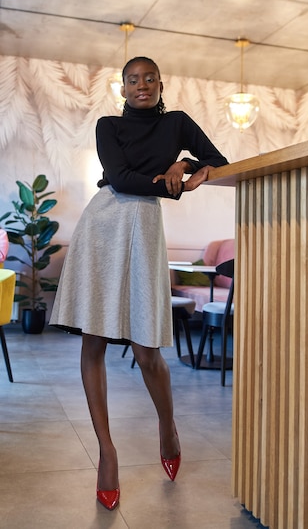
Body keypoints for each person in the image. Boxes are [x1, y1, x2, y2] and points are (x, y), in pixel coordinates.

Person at [49, 56, 228, 510]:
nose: (142, 85)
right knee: (94, 340)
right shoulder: (108, 125)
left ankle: (167, 425)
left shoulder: (178, 123)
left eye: (149, 79)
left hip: (145, 228)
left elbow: (218, 161)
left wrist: (184, 164)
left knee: (148, 348)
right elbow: (122, 178)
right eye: (133, 80)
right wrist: (168, 182)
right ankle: (107, 451)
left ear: (160, 84)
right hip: (104, 224)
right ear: (123, 88)